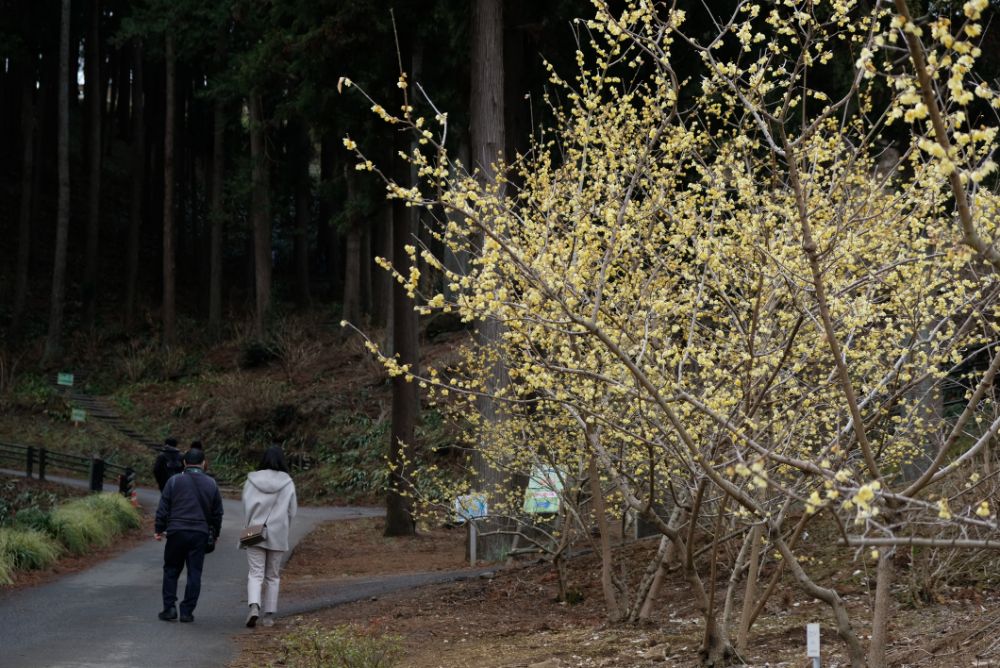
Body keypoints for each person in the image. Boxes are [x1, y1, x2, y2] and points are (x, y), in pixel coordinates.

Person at [154, 448, 223, 623]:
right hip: (199, 533)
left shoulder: (174, 481)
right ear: (203, 463)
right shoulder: (211, 484)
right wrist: (215, 533)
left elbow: (163, 508)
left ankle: (169, 608)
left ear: (184, 463)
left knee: (171, 570)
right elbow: (217, 513)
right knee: (194, 572)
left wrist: (159, 528)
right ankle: (187, 611)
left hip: (176, 531)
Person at [241, 445, 297, 628]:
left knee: (255, 573)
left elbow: (245, 506)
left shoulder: (251, 480)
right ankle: (268, 616)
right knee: (272, 576)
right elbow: (292, 511)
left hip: (253, 530)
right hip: (278, 532)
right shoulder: (287, 482)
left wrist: (249, 524)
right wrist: (283, 525)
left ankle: (254, 607)